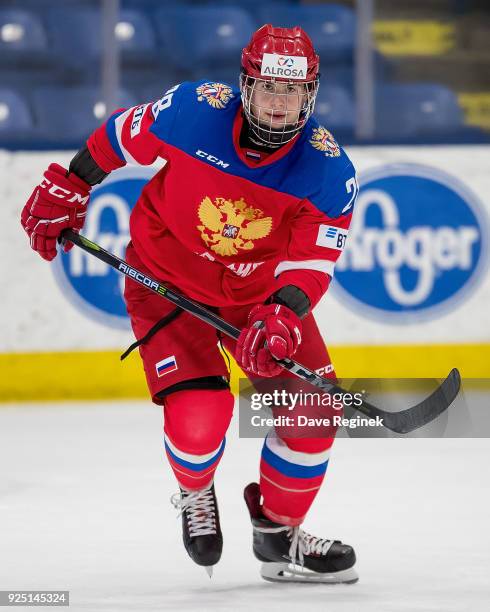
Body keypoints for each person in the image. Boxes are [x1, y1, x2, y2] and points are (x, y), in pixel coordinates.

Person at [20, 24, 359, 583]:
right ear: (245, 85)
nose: (279, 105)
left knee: (313, 415)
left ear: (311, 95)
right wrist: (72, 184)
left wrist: (281, 313)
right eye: (270, 88)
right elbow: (118, 139)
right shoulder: (192, 110)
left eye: (293, 93)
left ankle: (279, 537)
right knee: (201, 421)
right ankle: (195, 490)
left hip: (255, 301)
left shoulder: (329, 170)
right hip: (166, 283)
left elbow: (310, 263)